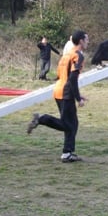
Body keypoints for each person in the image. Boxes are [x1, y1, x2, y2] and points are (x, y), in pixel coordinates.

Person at [27, 30, 89, 162]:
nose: (88, 42)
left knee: (73, 123)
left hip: (59, 90)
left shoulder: (67, 55)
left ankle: (68, 153)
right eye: (87, 40)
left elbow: (62, 76)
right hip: (66, 93)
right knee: (68, 125)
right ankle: (41, 119)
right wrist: (77, 98)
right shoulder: (78, 56)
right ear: (81, 41)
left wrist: (77, 94)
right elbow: (72, 79)